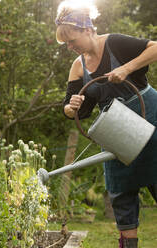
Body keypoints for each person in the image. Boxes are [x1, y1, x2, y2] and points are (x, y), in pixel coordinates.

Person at [55, 0, 157, 247]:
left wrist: (127, 68)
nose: (69, 46)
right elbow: (73, 110)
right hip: (114, 130)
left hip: (150, 117)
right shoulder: (77, 66)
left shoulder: (115, 43)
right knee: (121, 193)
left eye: (72, 40)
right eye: (66, 43)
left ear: (87, 30)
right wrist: (72, 107)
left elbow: (155, 47)